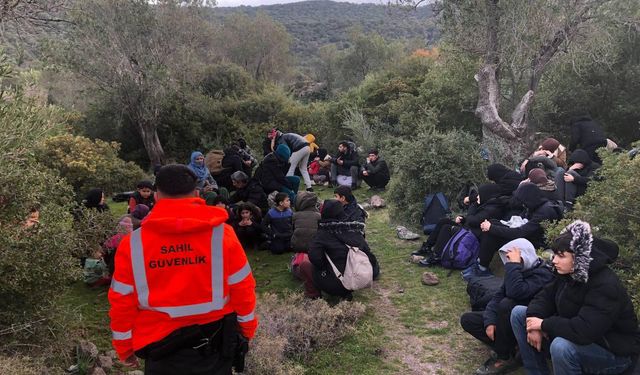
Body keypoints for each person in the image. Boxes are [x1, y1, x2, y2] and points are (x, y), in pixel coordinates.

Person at [108, 164, 257, 374]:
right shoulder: (223, 235)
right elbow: (243, 288)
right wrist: (247, 329)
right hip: (214, 344)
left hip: (159, 347)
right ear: (197, 194)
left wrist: (124, 347)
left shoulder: (132, 244)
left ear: (157, 197)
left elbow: (122, 301)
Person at [510, 220, 640, 375]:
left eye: (561, 256)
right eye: (555, 255)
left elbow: (585, 331)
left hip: (613, 352)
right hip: (580, 335)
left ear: (579, 258)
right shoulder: (567, 273)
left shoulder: (605, 286)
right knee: (519, 313)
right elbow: (544, 297)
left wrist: (544, 324)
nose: (554, 260)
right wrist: (533, 322)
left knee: (561, 347)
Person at [460, 238, 554, 375]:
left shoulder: (543, 274)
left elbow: (516, 292)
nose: (509, 262)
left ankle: (503, 356)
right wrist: (489, 321)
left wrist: (514, 266)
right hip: (506, 323)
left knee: (507, 304)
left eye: (512, 259)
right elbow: (497, 297)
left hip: (526, 324)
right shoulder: (515, 271)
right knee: (468, 320)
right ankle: (514, 349)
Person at [465, 183, 562, 279]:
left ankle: (482, 268)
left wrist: (492, 228)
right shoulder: (535, 205)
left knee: (491, 233)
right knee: (493, 223)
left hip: (535, 242)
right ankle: (480, 262)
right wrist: (493, 225)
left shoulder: (544, 212)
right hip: (529, 235)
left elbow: (521, 232)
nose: (522, 203)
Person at [417, 184, 506, 266]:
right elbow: (473, 219)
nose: (477, 196)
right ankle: (427, 247)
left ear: (487, 195)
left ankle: (436, 256)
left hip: (474, 235)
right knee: (443, 221)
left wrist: (473, 205)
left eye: (480, 194)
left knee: (447, 228)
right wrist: (463, 219)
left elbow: (474, 221)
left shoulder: (493, 209)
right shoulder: (487, 204)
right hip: (469, 228)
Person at [308, 199, 379, 300]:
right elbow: (366, 251)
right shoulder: (353, 229)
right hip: (357, 276)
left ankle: (327, 292)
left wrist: (324, 267)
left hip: (333, 282)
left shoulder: (321, 234)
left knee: (310, 265)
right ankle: (347, 291)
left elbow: (314, 257)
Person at [290, 191, 322, 299]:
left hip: (297, 246)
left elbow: (293, 230)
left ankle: (297, 264)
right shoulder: (318, 215)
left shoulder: (295, 215)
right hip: (314, 248)